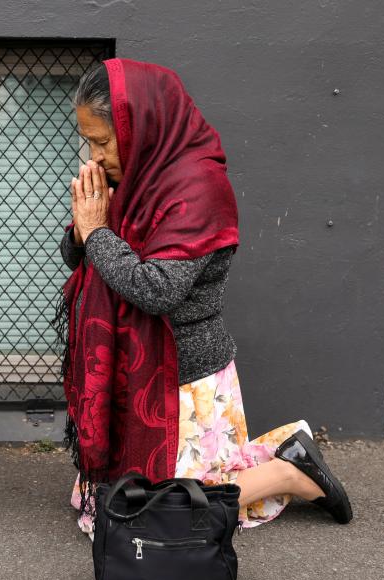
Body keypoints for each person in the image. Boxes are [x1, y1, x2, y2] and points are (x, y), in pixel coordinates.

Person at [54, 58, 353, 538]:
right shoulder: (135, 177)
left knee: (157, 521)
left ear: (142, 127)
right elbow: (88, 260)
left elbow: (157, 290)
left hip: (182, 380)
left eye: (103, 142)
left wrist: (96, 233)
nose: (94, 156)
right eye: (87, 141)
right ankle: (282, 453)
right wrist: (86, 231)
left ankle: (288, 472)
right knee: (105, 505)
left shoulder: (200, 190)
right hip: (137, 369)